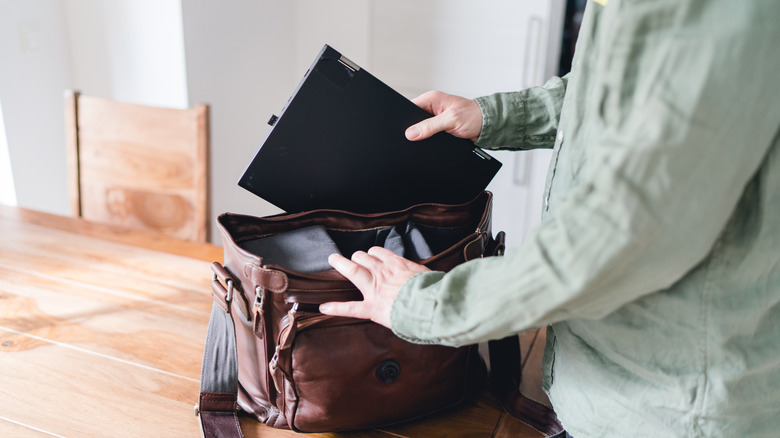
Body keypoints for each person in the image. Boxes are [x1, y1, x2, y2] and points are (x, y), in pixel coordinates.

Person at [320, 0, 780, 436]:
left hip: (667, 410)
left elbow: (615, 238)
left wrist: (425, 305)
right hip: (605, 387)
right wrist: (493, 115)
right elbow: (617, 89)